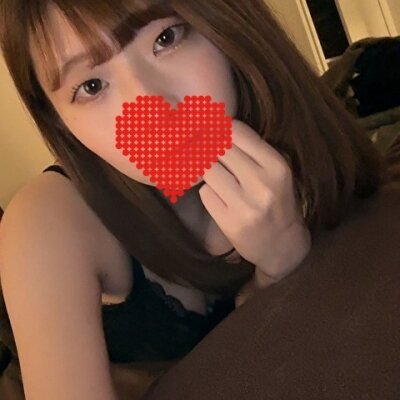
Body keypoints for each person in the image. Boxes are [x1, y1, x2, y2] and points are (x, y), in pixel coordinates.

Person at [0, 0, 386, 399]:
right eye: (92, 86)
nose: (154, 112)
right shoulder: (46, 224)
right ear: (59, 121)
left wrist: (279, 266)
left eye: (165, 39)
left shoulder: (296, 141)